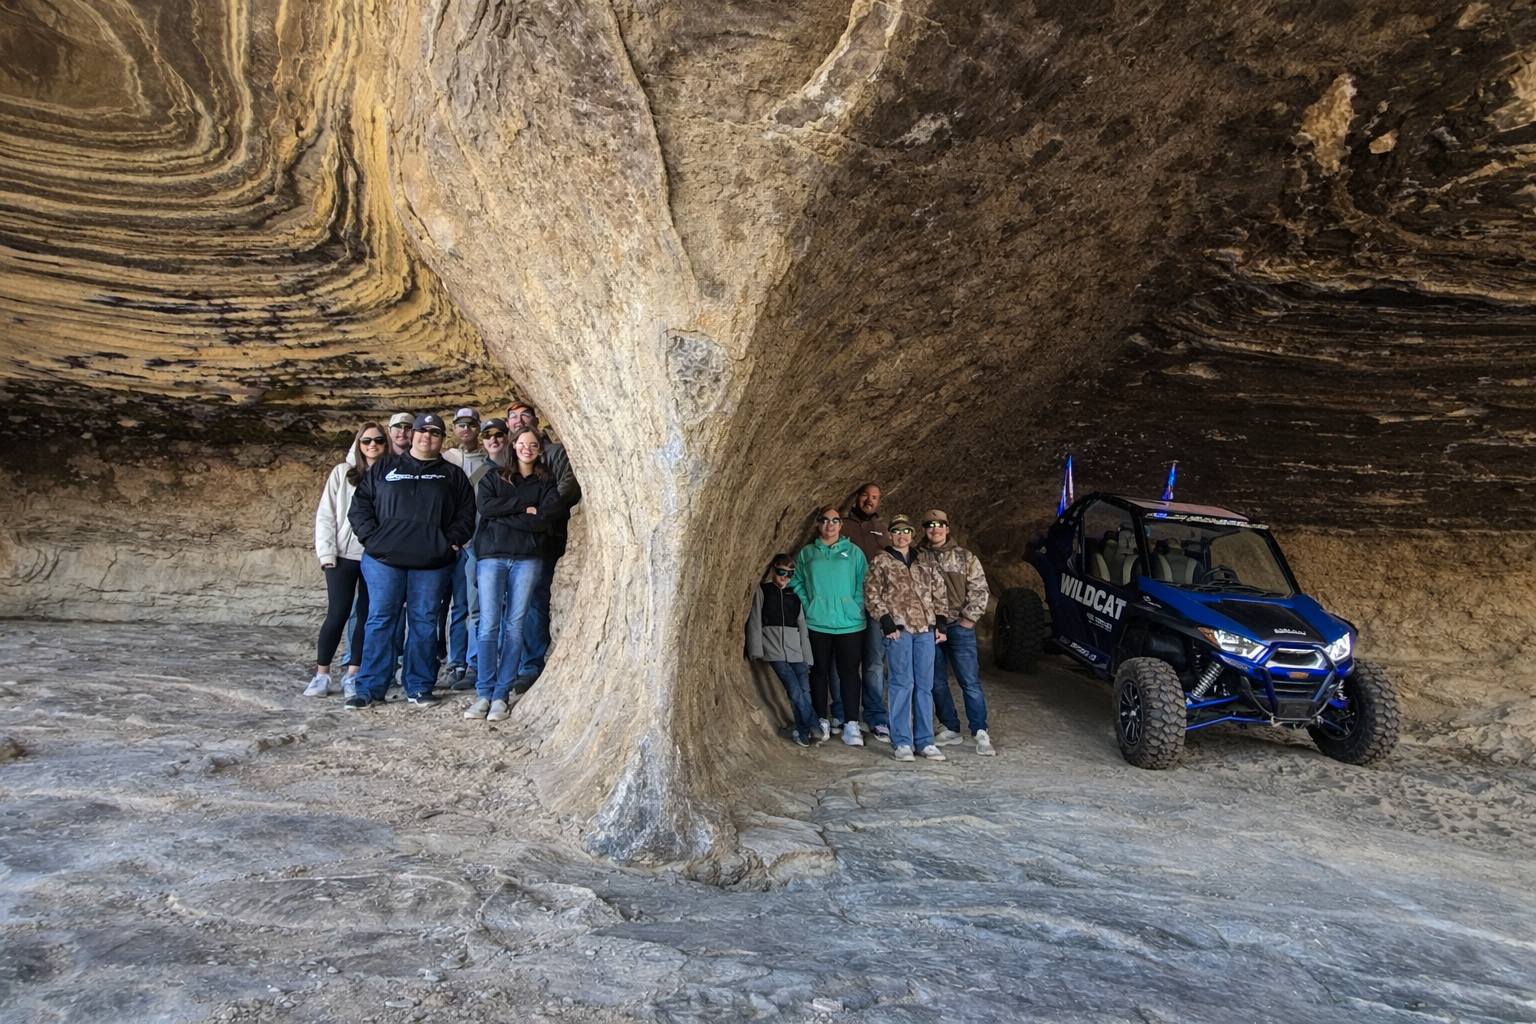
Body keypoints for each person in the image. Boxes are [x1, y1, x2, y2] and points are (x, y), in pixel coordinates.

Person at [346, 413, 475, 709]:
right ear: (412, 434)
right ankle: (369, 688)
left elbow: (466, 514)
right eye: (422, 430)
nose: (427, 436)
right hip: (383, 559)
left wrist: (450, 543)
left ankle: (418, 685)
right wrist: (371, 538)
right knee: (380, 620)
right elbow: (360, 506)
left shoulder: (452, 475)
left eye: (434, 432)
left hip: (432, 561)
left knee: (424, 621)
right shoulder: (385, 468)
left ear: (442, 439)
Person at [466, 426, 559, 722]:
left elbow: (545, 518)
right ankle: (483, 693)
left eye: (533, 445)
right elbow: (486, 508)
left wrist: (506, 516)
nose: (527, 449)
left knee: (514, 626)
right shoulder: (493, 477)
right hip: (492, 557)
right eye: (522, 443)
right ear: (513, 445)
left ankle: (500, 696)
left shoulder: (546, 481)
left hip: (527, 559)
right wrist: (523, 507)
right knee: (488, 625)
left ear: (540, 450)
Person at [505, 401, 581, 693]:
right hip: (513, 541)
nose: (519, 420)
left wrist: (540, 512)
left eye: (525, 415)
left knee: (535, 601)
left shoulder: (555, 453)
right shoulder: (507, 460)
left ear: (537, 420)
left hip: (545, 537)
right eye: (513, 416)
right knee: (512, 603)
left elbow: (568, 486)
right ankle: (512, 664)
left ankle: (531, 665)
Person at [307, 423, 386, 698]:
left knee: (366, 614)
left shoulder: (391, 474)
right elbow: (326, 514)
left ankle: (353, 674)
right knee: (338, 613)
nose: (372, 445)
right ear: (358, 443)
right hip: (342, 554)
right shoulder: (343, 473)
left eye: (378, 440)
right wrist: (326, 553)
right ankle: (322, 674)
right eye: (366, 440)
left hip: (375, 555)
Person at [863, 513, 950, 762]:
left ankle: (925, 741)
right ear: (890, 535)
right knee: (901, 684)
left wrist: (941, 623)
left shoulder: (924, 561)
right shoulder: (881, 561)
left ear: (912, 534)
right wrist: (886, 621)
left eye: (906, 531)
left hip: (925, 630)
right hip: (898, 630)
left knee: (924, 686)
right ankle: (902, 741)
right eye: (896, 531)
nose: (901, 536)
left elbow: (939, 592)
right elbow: (871, 592)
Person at [920, 509, 995, 755]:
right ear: (924, 530)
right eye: (930, 525)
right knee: (936, 681)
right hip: (930, 627)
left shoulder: (964, 557)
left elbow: (980, 588)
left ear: (947, 528)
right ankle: (950, 727)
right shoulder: (918, 556)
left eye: (939, 524)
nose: (935, 529)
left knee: (969, 681)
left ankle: (979, 730)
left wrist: (968, 619)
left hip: (958, 626)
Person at [793, 505, 868, 746]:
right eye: (825, 520)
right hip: (818, 622)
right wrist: (809, 604)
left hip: (850, 623)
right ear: (818, 524)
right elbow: (797, 581)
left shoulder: (854, 552)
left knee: (849, 672)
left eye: (835, 520)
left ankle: (851, 724)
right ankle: (821, 720)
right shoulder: (807, 553)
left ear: (841, 525)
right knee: (818, 671)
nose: (830, 524)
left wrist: (855, 606)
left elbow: (863, 582)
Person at [440, 407, 488, 687]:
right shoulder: (446, 459)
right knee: (455, 607)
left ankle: (471, 663)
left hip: (475, 543)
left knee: (471, 606)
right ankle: (455, 661)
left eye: (471, 424)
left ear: (478, 427)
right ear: (454, 428)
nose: (466, 429)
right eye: (461, 424)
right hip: (451, 542)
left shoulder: (490, 460)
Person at [747, 554, 818, 747]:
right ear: (773, 570)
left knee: (804, 691)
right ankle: (813, 725)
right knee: (794, 690)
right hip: (774, 649)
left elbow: (802, 627)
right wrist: (756, 649)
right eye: (781, 572)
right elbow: (755, 620)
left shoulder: (794, 596)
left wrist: (808, 657)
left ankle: (804, 732)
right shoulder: (763, 591)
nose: (785, 577)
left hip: (796, 651)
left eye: (790, 574)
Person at [840, 482, 892, 743]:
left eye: (875, 497)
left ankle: (875, 716)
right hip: (849, 603)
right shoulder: (843, 527)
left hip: (876, 605)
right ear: (857, 497)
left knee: (873, 662)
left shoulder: (883, 529)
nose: (870, 501)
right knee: (845, 661)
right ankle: (842, 712)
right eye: (865, 495)